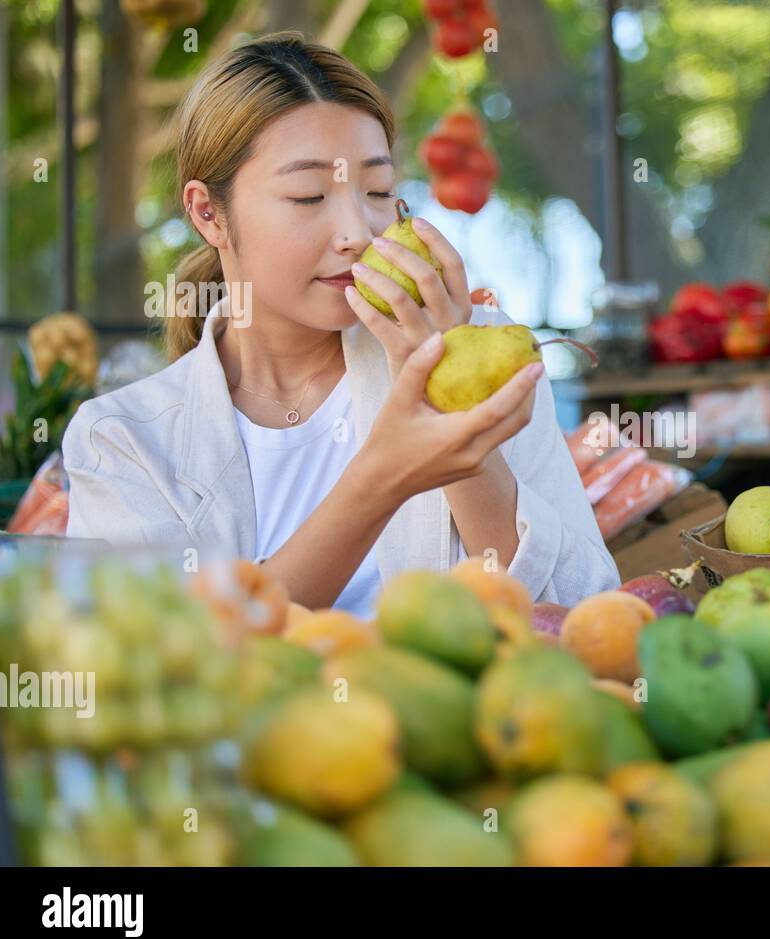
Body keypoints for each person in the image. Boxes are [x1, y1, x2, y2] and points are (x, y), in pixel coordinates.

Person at [62, 32, 620, 616]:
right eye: (308, 196)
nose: (358, 231)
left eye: (378, 190)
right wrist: (380, 480)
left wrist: (452, 395)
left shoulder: (478, 345)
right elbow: (171, 671)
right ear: (208, 214)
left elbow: (580, 615)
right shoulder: (122, 438)